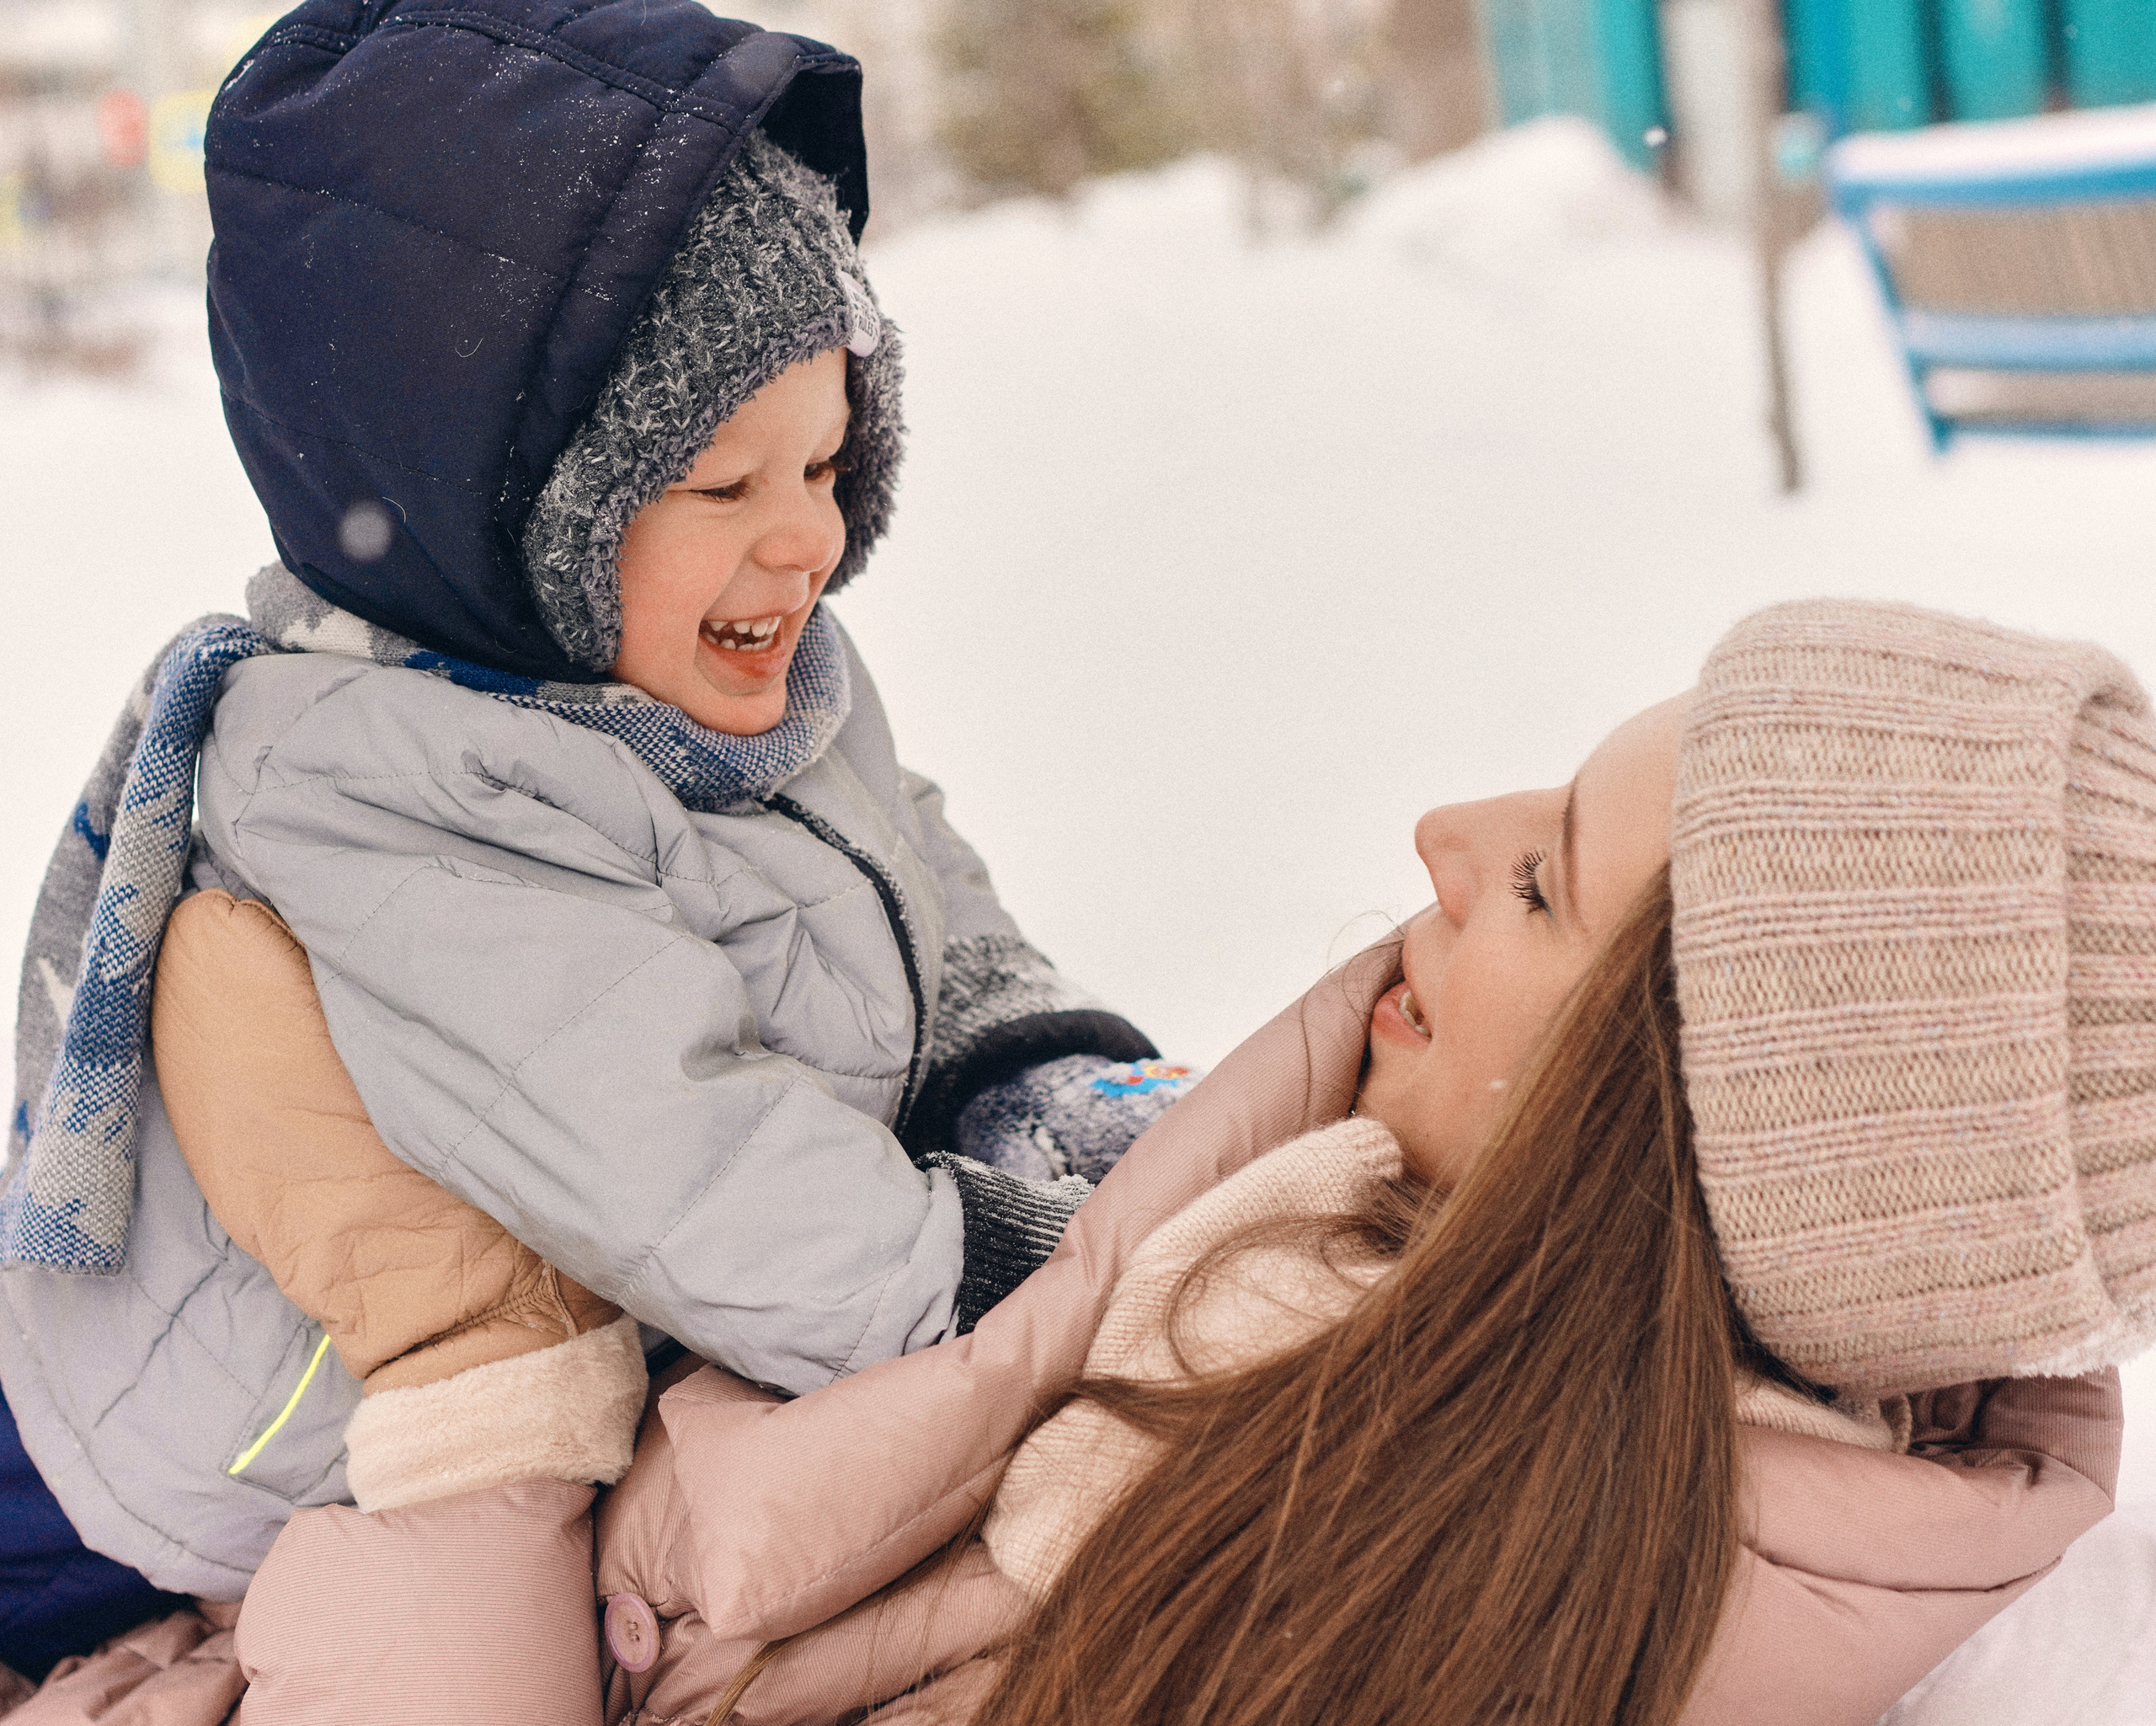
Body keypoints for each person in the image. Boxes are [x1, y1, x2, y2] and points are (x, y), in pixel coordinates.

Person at [24, 597, 2135, 1726]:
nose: (1439, 830)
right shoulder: (1376, 1276)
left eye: (1540, 889)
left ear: (1646, 1162)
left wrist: (473, 1382)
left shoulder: (1366, 1588)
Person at [0, 0, 1197, 1662]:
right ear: (505, 510)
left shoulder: (712, 672)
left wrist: (1021, 1054)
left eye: (832, 461)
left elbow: (905, 852)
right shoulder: (388, 781)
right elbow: (689, 1170)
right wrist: (1012, 1281)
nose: (805, 538)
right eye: (723, 485)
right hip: (154, 1463)